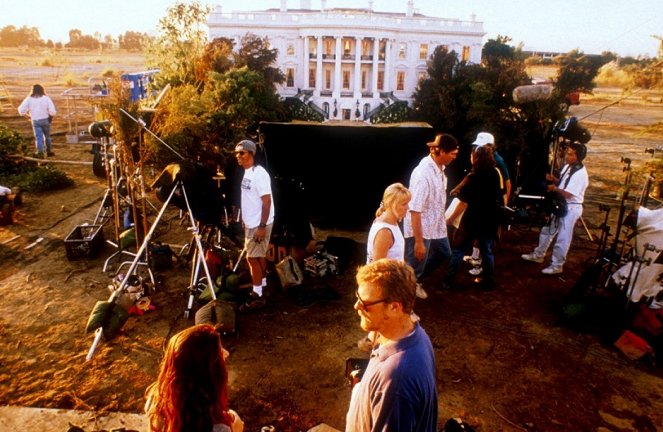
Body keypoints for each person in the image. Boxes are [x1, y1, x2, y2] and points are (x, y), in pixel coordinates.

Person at [346, 259, 438, 432]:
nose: (356, 306)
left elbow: (394, 392)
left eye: (365, 304)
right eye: (357, 297)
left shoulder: (395, 381)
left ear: (394, 308)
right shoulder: (415, 335)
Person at [145, 324, 244, 432]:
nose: (226, 353)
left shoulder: (155, 401)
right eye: (218, 352)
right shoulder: (218, 428)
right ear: (205, 374)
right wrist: (235, 428)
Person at [521, 142, 589, 274]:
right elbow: (564, 183)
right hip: (560, 203)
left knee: (563, 237)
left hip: (570, 207)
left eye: (570, 154)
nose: (567, 156)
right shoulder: (569, 167)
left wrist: (554, 188)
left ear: (577, 156)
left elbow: (569, 193)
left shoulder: (580, 174)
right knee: (547, 229)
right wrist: (554, 179)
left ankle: (557, 264)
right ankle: (539, 254)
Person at [403, 133, 459, 284]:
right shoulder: (423, 175)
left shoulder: (440, 168)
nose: (454, 157)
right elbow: (414, 210)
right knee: (414, 266)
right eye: (452, 154)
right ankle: (407, 291)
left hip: (436, 226)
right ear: (439, 151)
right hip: (420, 229)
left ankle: (416, 280)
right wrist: (419, 242)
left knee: (444, 253)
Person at [445, 145, 503, 290]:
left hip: (473, 218)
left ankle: (448, 281)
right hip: (489, 218)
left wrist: (450, 219)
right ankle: (489, 281)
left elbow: (463, 202)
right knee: (487, 251)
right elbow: (498, 196)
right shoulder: (495, 173)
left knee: (459, 249)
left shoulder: (474, 176)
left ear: (475, 157)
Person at [452, 132, 511, 274]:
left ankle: (477, 265)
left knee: (471, 244)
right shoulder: (484, 164)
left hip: (480, 211)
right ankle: (478, 262)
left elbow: (507, 184)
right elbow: (470, 176)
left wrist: (503, 207)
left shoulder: (497, 163)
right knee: (485, 244)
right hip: (487, 211)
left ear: (489, 147)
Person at [235, 139, 275, 311]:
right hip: (252, 222)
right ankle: (263, 285)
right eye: (237, 153)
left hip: (259, 223)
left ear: (251, 154)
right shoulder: (247, 172)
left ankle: (257, 295)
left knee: (251, 258)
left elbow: (267, 202)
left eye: (242, 153)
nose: (238, 156)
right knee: (258, 256)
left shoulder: (260, 174)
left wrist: (261, 226)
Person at [18, 84, 57, 158]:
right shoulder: (46, 98)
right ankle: (49, 151)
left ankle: (40, 154)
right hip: (45, 119)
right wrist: (50, 118)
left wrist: (28, 117)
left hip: (35, 120)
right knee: (47, 136)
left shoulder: (29, 99)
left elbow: (21, 110)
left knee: (39, 137)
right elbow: (53, 111)